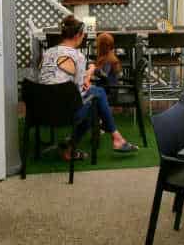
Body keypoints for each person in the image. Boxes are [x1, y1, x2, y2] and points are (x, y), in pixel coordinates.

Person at [39, 16, 138, 159]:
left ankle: (113, 139)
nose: (84, 36)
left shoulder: (48, 52)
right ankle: (115, 139)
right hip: (65, 113)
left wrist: (87, 75)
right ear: (78, 35)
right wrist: (90, 72)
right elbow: (82, 89)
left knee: (97, 93)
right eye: (83, 33)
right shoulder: (77, 56)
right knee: (96, 101)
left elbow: (57, 78)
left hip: (43, 111)